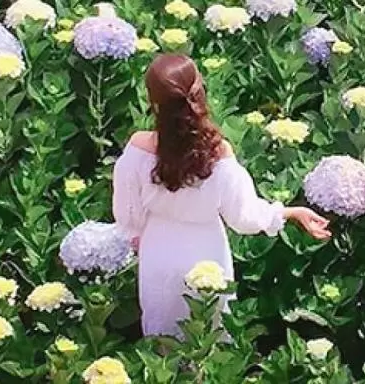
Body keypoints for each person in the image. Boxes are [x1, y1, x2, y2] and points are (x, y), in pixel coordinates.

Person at [113, 53, 331, 337]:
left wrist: (141, 236)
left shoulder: (138, 148)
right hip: (207, 253)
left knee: (163, 343)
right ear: (199, 93)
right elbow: (244, 217)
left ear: (153, 102)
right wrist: (290, 212)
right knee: (208, 335)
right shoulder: (218, 154)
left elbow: (128, 216)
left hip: (159, 254)